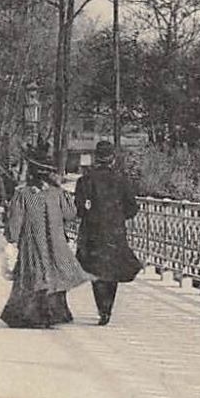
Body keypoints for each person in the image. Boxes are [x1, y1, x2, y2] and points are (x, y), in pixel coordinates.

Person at [0, 156, 90, 328]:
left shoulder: (23, 194)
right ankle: (55, 313)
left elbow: (15, 222)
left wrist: (12, 239)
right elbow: (71, 214)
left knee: (33, 275)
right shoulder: (57, 193)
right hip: (56, 242)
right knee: (54, 274)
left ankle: (31, 315)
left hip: (31, 243)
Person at [73, 140, 144, 326]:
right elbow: (132, 208)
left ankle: (101, 308)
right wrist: (118, 217)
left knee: (96, 271)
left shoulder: (85, 180)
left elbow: (79, 209)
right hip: (115, 232)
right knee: (112, 270)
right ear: (113, 158)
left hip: (92, 232)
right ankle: (107, 309)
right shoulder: (122, 180)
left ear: (97, 157)